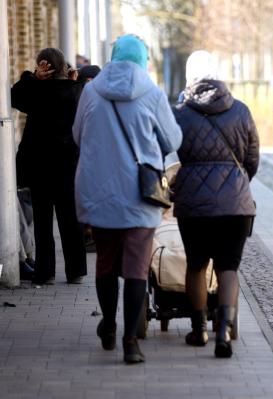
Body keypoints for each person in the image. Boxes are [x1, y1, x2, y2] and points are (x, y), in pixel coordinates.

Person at [73, 35, 182, 364]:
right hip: (140, 192)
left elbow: (78, 134)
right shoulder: (151, 92)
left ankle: (108, 324)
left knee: (105, 261)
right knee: (136, 266)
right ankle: (131, 341)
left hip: (98, 189)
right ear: (143, 60)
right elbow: (172, 139)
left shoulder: (91, 91)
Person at [172, 50, 259, 358]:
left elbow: (169, 152)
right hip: (235, 205)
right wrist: (234, 183)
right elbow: (252, 160)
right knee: (228, 267)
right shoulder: (241, 110)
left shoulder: (179, 113)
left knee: (196, 266)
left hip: (193, 204)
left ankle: (199, 331)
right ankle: (224, 331)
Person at [11, 47, 88, 285]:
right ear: (64, 67)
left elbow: (13, 97)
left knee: (43, 222)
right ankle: (76, 271)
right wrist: (73, 82)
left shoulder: (36, 91)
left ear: (43, 65)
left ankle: (45, 273)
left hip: (40, 166)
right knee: (70, 219)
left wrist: (34, 78)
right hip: (68, 165)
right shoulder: (76, 92)